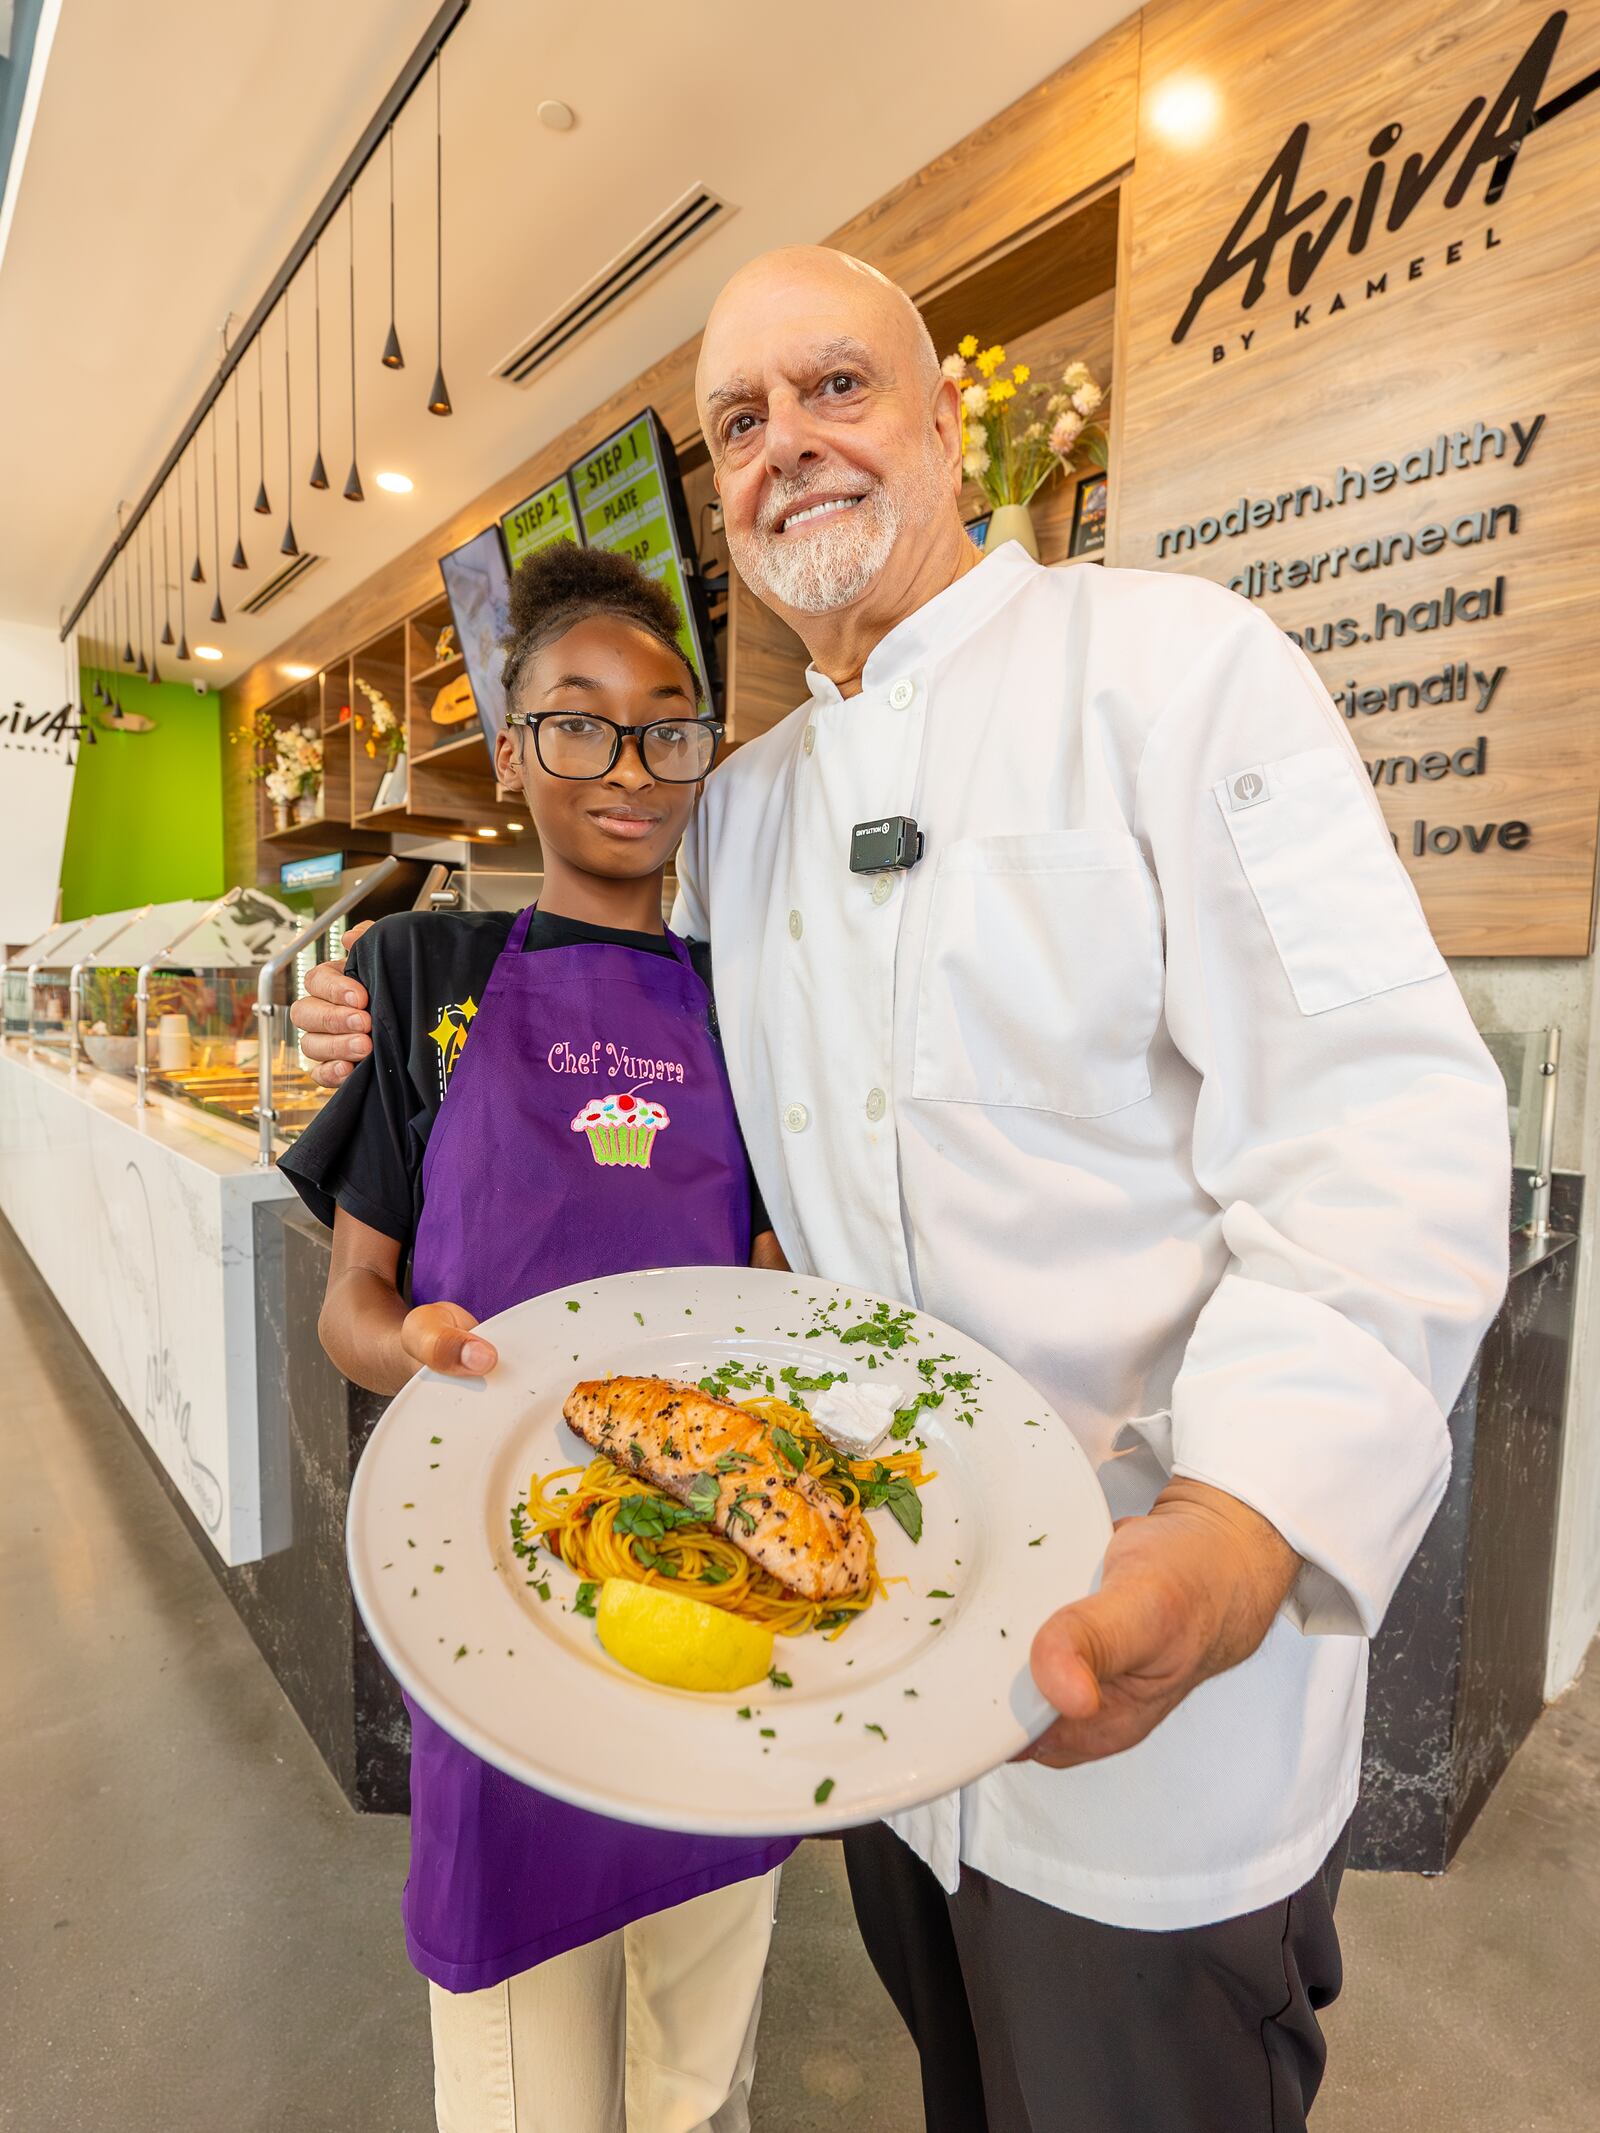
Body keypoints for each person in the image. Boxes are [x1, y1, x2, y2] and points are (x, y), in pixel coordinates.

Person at [294, 247, 1510, 2132]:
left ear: (951, 418)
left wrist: (1244, 1524)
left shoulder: (1181, 676)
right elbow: (636, 1078)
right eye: (741, 422)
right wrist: (363, 1012)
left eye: (838, 386)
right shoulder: (751, 808)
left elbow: (1389, 1131)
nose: (788, 445)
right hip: (875, 1690)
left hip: (1161, 1709)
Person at [279, 542, 794, 2133]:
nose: (628, 766)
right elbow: (350, 1305)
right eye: (577, 721)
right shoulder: (420, 971)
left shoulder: (758, 1000)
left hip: (717, 1582)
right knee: (522, 2092)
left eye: (665, 725)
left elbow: (784, 1280)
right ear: (511, 755)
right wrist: (413, 1343)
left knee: (696, 2085)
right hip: (497, 1602)